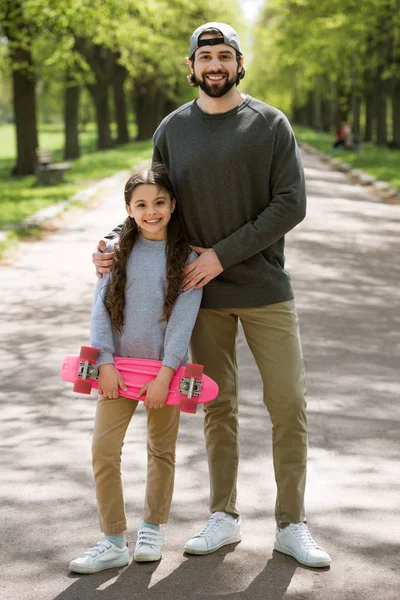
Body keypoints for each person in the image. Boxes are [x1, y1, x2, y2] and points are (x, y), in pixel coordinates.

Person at [93, 22, 331, 568]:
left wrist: (220, 255)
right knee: (216, 405)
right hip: (197, 297)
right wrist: (112, 242)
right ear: (192, 66)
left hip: (265, 287)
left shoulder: (271, 124)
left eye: (225, 55)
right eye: (206, 57)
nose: (215, 65)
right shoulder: (173, 128)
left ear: (240, 63)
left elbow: (290, 203)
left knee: (287, 402)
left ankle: (292, 523)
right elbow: (148, 203)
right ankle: (224, 516)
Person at [69, 166, 202, 574]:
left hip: (164, 374)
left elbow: (182, 323)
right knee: (103, 451)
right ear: (128, 209)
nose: (151, 211)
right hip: (117, 372)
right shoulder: (114, 253)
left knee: (161, 450)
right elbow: (100, 313)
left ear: (172, 205)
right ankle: (112, 539)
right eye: (141, 204)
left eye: (159, 202)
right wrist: (104, 363)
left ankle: (152, 528)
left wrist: (166, 374)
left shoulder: (189, 259)